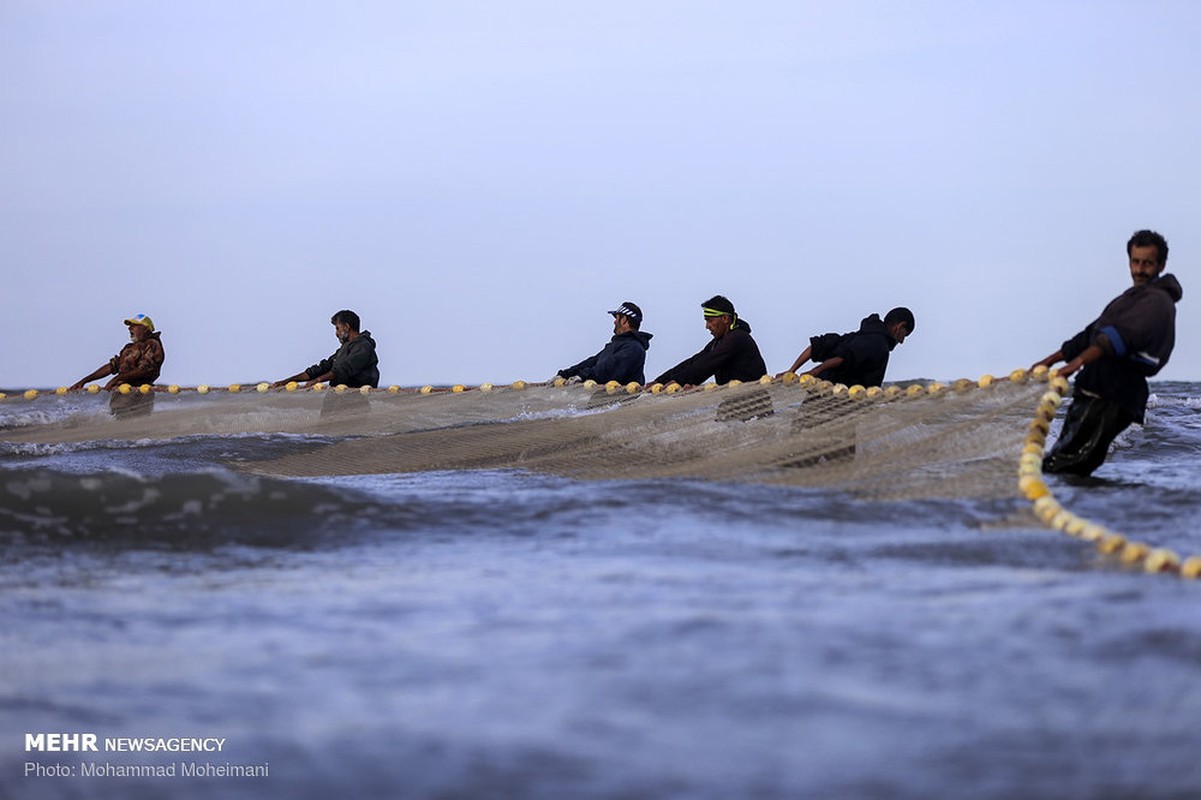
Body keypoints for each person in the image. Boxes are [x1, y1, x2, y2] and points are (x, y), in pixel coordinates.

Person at [1033, 229, 1182, 476]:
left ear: (1161, 265)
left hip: (1113, 395)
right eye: (1135, 261)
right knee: (1062, 462)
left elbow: (1117, 339)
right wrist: (1048, 361)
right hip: (1094, 388)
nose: (1140, 269)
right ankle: (1082, 504)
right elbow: (1090, 335)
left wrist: (1075, 364)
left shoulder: (1156, 302)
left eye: (1147, 263)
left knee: (1068, 464)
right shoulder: (1130, 299)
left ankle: (1056, 506)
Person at [780, 307, 915, 387]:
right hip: (834, 400)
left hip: (819, 390)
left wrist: (791, 371)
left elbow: (818, 346)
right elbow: (844, 357)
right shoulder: (879, 345)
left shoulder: (860, 335)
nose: (902, 341)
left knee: (799, 432)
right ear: (900, 327)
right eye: (905, 335)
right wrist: (815, 371)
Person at [652, 295, 768, 387]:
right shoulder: (717, 342)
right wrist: (660, 381)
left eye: (710, 320)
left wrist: (679, 381)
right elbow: (694, 361)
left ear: (725, 319)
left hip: (752, 405)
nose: (707, 326)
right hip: (732, 401)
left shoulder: (738, 338)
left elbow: (707, 364)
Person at [69, 313, 166, 418]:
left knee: (135, 425)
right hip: (121, 392)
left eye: (134, 325)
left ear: (145, 329)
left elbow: (144, 370)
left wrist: (117, 378)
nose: (130, 328)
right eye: (130, 325)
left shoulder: (152, 345)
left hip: (139, 393)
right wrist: (85, 380)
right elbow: (112, 366)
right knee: (118, 422)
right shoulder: (129, 348)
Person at [274, 310, 380, 389]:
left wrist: (317, 380)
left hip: (356, 402)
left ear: (347, 327)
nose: (336, 333)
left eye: (337, 328)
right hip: (338, 400)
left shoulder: (363, 347)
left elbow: (344, 369)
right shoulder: (344, 349)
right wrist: (287, 381)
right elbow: (323, 368)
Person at [557, 302, 653, 385]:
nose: (614, 322)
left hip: (618, 404)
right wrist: (565, 374)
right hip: (602, 403)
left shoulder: (634, 348)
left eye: (617, 318)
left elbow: (608, 369)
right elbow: (592, 362)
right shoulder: (615, 346)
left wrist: (582, 376)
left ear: (624, 320)